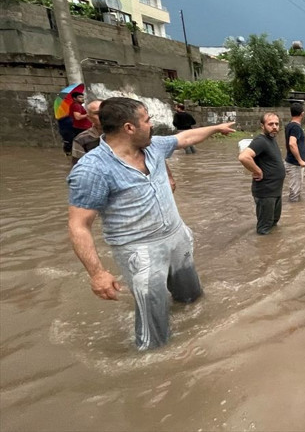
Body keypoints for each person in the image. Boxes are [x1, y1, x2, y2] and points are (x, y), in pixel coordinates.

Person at [66, 97, 235, 350]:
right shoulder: (93, 169)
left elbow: (185, 138)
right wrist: (97, 273)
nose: (151, 125)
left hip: (176, 238)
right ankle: (155, 369)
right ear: (129, 128)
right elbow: (78, 225)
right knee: (153, 324)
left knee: (191, 298)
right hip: (141, 250)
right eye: (147, 120)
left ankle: (195, 341)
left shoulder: (153, 147)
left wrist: (215, 128)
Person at [71, 99, 177, 191]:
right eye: (97, 113)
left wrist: (168, 177)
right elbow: (79, 171)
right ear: (89, 118)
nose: (102, 116)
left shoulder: (130, 131)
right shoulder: (82, 140)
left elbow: (154, 152)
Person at [238, 113, 286, 234]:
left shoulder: (271, 139)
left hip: (275, 191)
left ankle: (272, 247)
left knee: (274, 222)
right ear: (262, 126)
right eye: (270, 124)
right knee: (264, 227)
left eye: (276, 124)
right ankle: (262, 249)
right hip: (266, 192)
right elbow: (244, 157)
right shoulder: (261, 141)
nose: (274, 126)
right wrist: (257, 170)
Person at [284, 102, 305, 202]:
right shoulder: (296, 127)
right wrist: (300, 160)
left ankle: (297, 209)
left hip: (291, 161)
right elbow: (292, 143)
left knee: (296, 188)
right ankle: (294, 213)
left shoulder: (289, 125)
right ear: (302, 114)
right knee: (295, 192)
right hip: (294, 163)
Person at [71, 100, 102, 165]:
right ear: (89, 118)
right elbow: (78, 167)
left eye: (105, 112)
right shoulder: (81, 139)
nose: (103, 115)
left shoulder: (123, 134)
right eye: (97, 113)